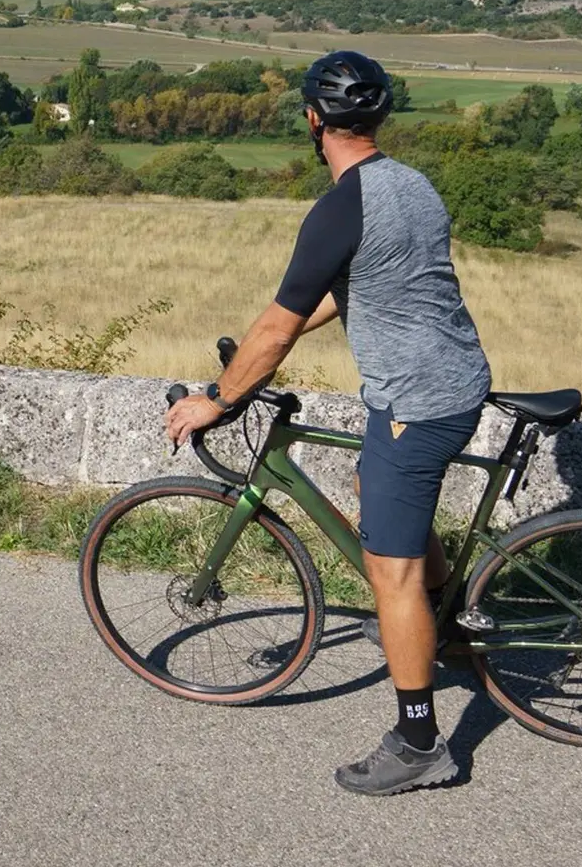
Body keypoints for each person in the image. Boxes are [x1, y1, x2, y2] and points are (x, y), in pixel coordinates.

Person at [163, 50, 492, 796]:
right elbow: (356, 288)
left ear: (315, 121)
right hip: (456, 379)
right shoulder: (411, 185)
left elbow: (275, 330)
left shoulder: (340, 206)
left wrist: (219, 396)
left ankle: (418, 743)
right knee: (369, 483)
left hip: (417, 399)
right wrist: (262, 360)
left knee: (391, 572)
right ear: (378, 118)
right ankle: (445, 618)